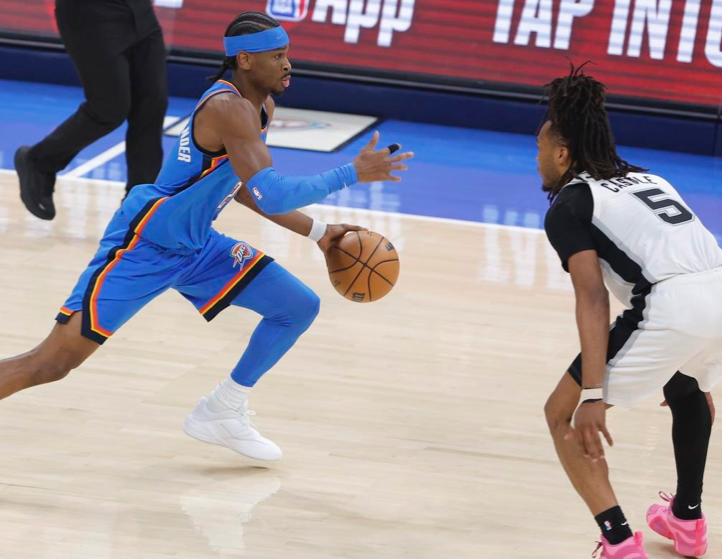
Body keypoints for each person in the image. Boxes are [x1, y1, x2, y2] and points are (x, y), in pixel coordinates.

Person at [0, 11, 413, 461]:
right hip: (144, 245)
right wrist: (350, 173)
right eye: (277, 55)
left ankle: (223, 410)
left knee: (296, 307)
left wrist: (320, 232)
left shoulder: (260, 107)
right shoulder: (226, 108)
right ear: (245, 60)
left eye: (287, 54)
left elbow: (244, 188)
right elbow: (272, 192)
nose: (288, 64)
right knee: (52, 364)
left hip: (197, 245)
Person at [540, 64, 722, 558]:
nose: (537, 163)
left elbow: (593, 297)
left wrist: (593, 393)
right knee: (689, 390)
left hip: (674, 305)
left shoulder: (569, 206)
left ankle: (619, 543)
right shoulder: (649, 177)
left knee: (562, 414)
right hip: (717, 291)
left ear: (562, 154)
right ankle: (688, 521)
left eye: (540, 151)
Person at [15, 0, 168, 220]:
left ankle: (140, 203)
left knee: (152, 105)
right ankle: (39, 161)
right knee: (109, 109)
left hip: (140, 11)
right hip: (91, 14)